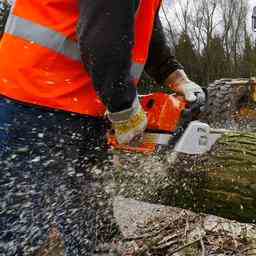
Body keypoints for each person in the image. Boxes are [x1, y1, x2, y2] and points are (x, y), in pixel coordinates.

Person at [0, 0, 205, 255]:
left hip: (79, 103)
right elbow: (104, 36)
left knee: (91, 221)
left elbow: (141, 20)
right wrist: (124, 109)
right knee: (22, 228)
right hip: (36, 100)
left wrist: (174, 75)